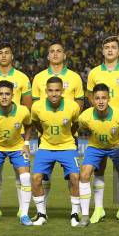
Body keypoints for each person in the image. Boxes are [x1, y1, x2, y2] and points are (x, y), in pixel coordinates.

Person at [86, 36, 119, 224]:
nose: (110, 50)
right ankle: (99, 209)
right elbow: (89, 94)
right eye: (107, 47)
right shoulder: (94, 73)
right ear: (102, 51)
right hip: (101, 125)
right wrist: (97, 110)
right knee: (98, 168)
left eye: (113, 47)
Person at [0, 42, 32, 219]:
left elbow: (27, 108)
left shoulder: (22, 78)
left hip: (17, 131)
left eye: (7, 53)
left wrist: (25, 140)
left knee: (22, 176)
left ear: (12, 56)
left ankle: (22, 211)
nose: (3, 56)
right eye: (0, 52)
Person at [31, 41, 84, 205]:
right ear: (48, 56)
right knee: (43, 175)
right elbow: (34, 106)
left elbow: (79, 103)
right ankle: (42, 210)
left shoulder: (74, 77)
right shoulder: (39, 78)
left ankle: (76, 210)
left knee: (73, 176)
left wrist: (69, 124)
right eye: (52, 51)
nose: (55, 54)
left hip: (68, 135)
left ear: (64, 55)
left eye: (59, 51)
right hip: (45, 136)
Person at [78, 84, 119, 228]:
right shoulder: (85, 116)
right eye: (97, 98)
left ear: (109, 99)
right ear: (92, 100)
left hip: (116, 146)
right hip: (95, 147)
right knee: (84, 175)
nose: (101, 101)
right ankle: (85, 216)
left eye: (104, 98)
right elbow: (83, 128)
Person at [30, 76, 81, 226]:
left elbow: (75, 124)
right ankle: (41, 215)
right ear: (46, 91)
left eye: (57, 90)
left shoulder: (72, 106)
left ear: (62, 91)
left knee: (75, 178)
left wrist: (67, 137)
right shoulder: (37, 107)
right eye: (51, 90)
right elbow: (35, 122)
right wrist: (45, 135)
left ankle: (75, 214)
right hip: (46, 146)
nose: (54, 94)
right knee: (36, 179)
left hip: (67, 146)